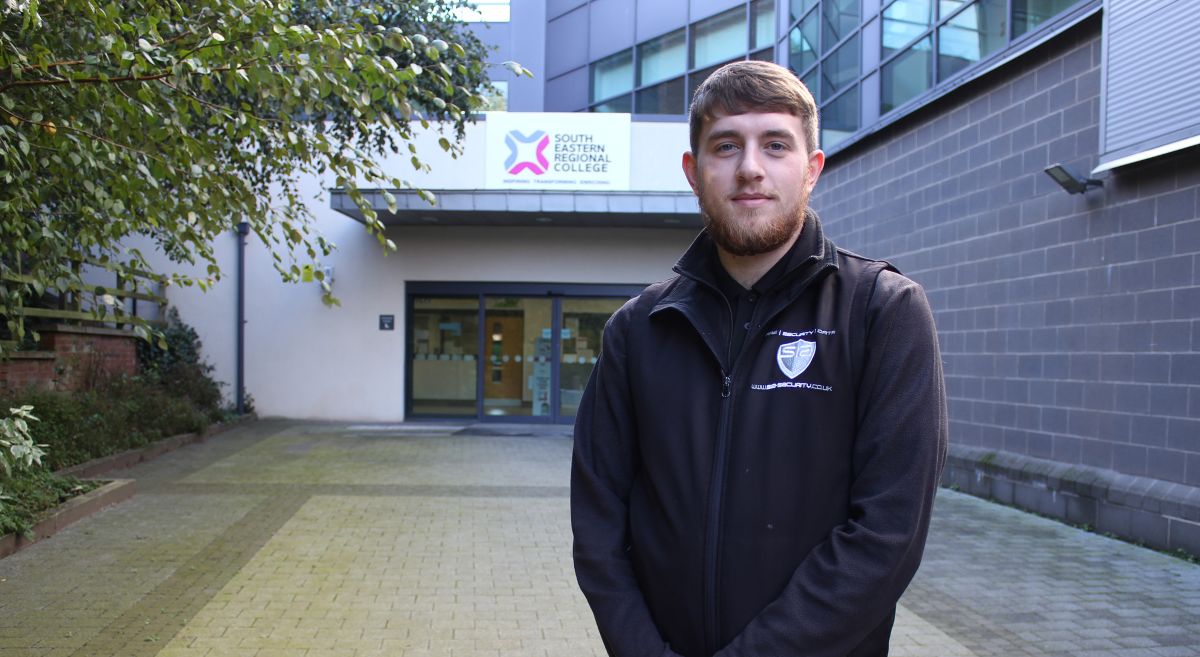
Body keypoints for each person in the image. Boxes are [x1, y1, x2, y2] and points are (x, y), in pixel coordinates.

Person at [570, 60, 948, 657]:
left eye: (775, 144)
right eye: (726, 146)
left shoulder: (882, 312)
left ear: (812, 169)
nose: (750, 168)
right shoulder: (636, 332)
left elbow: (886, 533)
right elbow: (598, 530)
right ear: (694, 173)